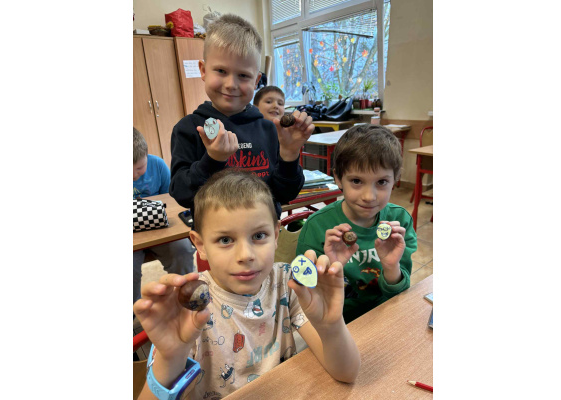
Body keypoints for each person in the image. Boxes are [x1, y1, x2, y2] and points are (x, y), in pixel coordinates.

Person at [134, 169, 360, 399]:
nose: (245, 255)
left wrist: (331, 327)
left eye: (259, 236)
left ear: (276, 235)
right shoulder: (188, 312)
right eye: (225, 240)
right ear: (200, 245)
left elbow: (346, 373)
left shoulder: (287, 283)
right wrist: (170, 358)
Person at [169, 14, 314, 220]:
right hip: (215, 235)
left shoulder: (270, 129)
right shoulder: (189, 129)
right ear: (203, 70)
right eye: (221, 71)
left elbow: (284, 194)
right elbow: (181, 193)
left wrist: (289, 154)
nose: (231, 84)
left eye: (243, 75)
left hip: (263, 232)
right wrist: (212, 160)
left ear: (256, 80)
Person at [296, 124, 418, 323]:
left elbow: (400, 292)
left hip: (386, 315)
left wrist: (391, 267)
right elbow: (306, 297)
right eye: (356, 181)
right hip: (338, 322)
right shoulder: (317, 227)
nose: (369, 196)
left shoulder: (400, 222)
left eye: (381, 182)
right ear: (338, 178)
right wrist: (332, 269)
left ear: (395, 179)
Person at [133, 127, 195, 303]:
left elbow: (172, 201)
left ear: (146, 155)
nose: (133, 175)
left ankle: (186, 295)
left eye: (140, 168)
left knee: (182, 249)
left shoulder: (158, 165)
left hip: (160, 226)